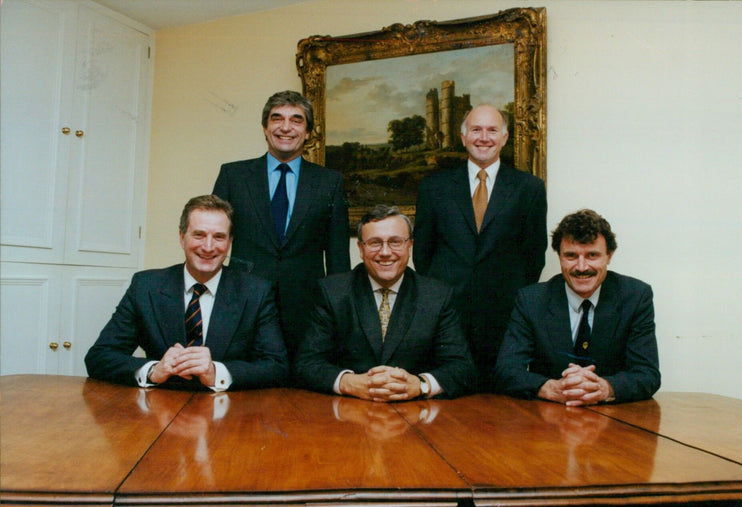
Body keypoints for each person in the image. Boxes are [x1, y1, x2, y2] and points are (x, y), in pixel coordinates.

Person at [85, 195, 289, 391]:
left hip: (228, 414)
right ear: (182, 237)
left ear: (229, 242)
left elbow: (277, 367)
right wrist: (154, 370)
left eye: (219, 237)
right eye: (199, 235)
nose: (208, 247)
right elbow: (100, 356)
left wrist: (216, 373)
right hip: (159, 410)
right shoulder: (146, 287)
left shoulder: (256, 292)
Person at [413, 104, 548, 390]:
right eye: (476, 130)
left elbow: (534, 255)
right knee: (446, 401)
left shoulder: (529, 188)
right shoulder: (433, 187)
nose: (483, 137)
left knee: (499, 405)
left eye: (492, 130)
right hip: (446, 316)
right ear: (463, 137)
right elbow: (423, 253)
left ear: (505, 137)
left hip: (504, 316)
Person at [212, 90, 350, 355]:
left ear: (308, 132)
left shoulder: (330, 182)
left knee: (301, 388)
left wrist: (337, 312)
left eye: (296, 120)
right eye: (277, 118)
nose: (286, 127)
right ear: (265, 128)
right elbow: (214, 240)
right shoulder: (233, 175)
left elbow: (338, 256)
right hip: (242, 300)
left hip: (307, 308)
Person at [294, 205, 477, 401]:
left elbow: (462, 368)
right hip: (349, 413)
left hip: (417, 413)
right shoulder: (333, 292)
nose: (385, 252)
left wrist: (420, 385)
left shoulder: (437, 296)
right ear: (361, 249)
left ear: (410, 246)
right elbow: (306, 363)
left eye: (395, 242)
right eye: (374, 243)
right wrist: (349, 382)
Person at [493, 209, 660, 405]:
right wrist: (549, 388)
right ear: (559, 256)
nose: (581, 267)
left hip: (614, 419)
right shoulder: (531, 300)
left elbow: (648, 374)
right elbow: (506, 370)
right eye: (571, 256)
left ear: (609, 256)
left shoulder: (636, 297)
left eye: (592, 255)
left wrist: (605, 387)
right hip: (547, 421)